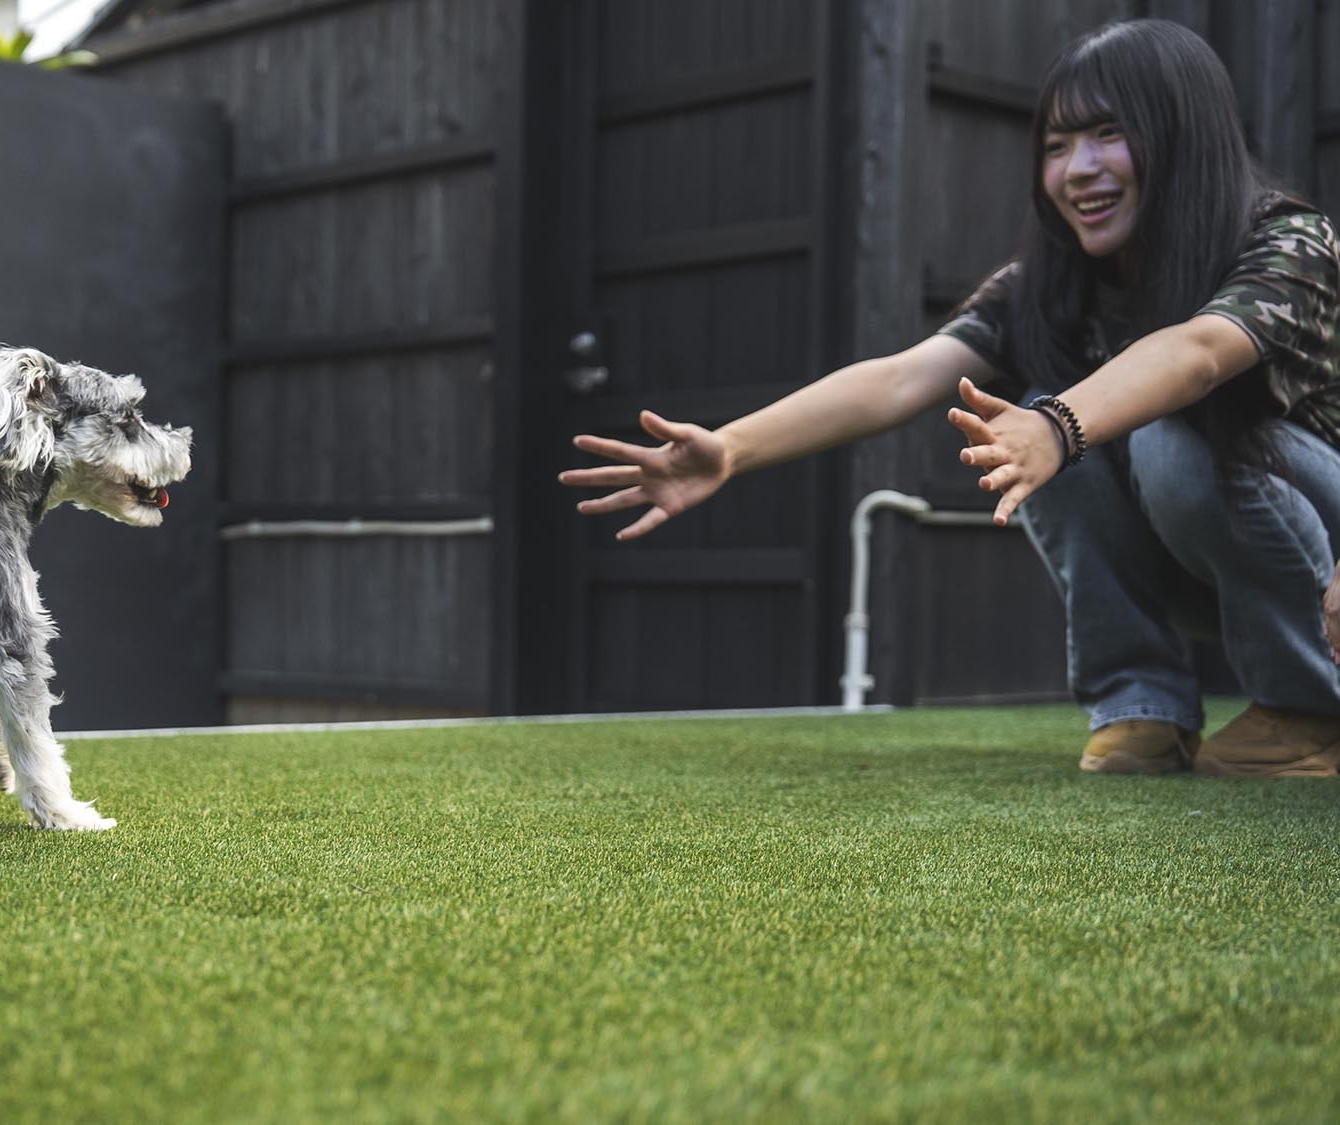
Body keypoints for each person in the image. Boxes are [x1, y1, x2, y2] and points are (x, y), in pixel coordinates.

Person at [561, 19, 1340, 777]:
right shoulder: (1048, 286)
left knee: (1149, 433)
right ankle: (1141, 704)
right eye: (1056, 145)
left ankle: (1303, 709)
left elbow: (1198, 354)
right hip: (1200, 562)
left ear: (1184, 134)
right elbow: (902, 376)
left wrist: (1058, 425)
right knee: (1037, 414)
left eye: (1108, 133)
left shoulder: (1287, 241)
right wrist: (732, 449)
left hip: (1323, 557)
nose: (1078, 170)